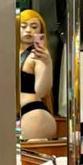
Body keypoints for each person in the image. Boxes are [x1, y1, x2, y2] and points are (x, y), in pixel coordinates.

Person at [19, 9, 56, 141]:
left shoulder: (38, 55)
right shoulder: (11, 53)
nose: (28, 30)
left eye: (34, 27)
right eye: (23, 26)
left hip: (34, 114)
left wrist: (47, 64)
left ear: (40, 31)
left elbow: (42, 91)